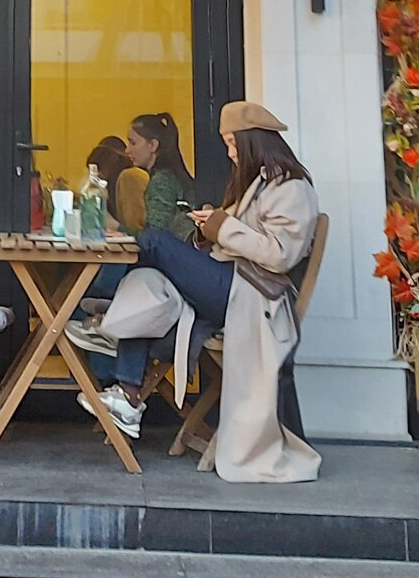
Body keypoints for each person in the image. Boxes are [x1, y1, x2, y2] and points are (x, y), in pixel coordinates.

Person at [82, 100, 322, 483]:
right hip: (232, 286)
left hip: (251, 295)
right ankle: (127, 388)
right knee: (153, 283)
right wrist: (210, 227)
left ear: (253, 142)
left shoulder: (292, 188)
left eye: (232, 143)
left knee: (155, 243)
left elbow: (279, 254)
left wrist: (221, 227)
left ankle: (105, 319)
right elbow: (235, 240)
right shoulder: (259, 183)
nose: (229, 152)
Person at [124, 112, 196, 237]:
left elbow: (155, 237)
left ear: (153, 145)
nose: (127, 150)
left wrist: (116, 227)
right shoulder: (174, 175)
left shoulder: (162, 180)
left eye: (133, 143)